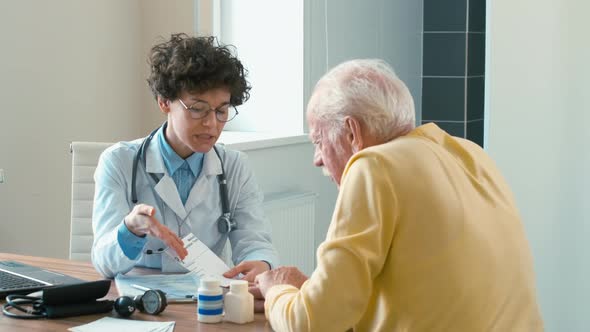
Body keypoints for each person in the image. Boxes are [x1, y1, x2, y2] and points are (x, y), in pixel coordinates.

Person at [254, 59, 543, 331]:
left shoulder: (375, 165)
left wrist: (278, 289)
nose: (317, 159)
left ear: (352, 132)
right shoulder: (472, 153)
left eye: (318, 141)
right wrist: (312, 292)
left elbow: (314, 323)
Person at [91, 33, 278, 281]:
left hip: (208, 297)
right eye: (198, 109)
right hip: (140, 299)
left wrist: (261, 263)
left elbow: (255, 242)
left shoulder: (234, 167)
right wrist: (131, 229)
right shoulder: (118, 162)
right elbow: (104, 264)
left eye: (222, 111)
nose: (211, 124)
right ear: (164, 102)